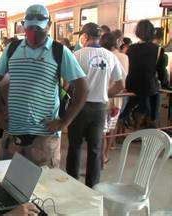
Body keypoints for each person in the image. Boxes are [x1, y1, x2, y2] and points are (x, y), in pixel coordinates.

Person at [0, 4, 88, 167]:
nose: (34, 34)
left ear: (49, 26)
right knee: (8, 182)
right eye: (30, 29)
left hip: (44, 135)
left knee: (44, 186)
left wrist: (64, 122)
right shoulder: (12, 49)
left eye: (40, 29)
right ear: (24, 26)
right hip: (13, 131)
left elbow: (82, 87)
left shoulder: (60, 51)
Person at [67, 23, 124, 188]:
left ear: (84, 37)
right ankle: (92, 187)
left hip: (78, 107)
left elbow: (65, 83)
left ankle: (72, 185)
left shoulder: (76, 55)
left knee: (75, 146)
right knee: (95, 149)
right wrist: (106, 94)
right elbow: (120, 84)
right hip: (100, 109)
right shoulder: (110, 56)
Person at [121, 20, 165, 129]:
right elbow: (160, 71)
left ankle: (125, 118)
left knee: (134, 103)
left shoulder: (130, 49)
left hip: (131, 85)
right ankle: (150, 121)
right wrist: (163, 82)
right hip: (148, 86)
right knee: (152, 99)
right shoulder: (158, 49)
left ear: (137, 32)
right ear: (152, 32)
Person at [100, 32, 128, 165]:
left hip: (103, 97)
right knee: (112, 127)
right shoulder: (124, 57)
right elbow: (123, 80)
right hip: (117, 97)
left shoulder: (102, 56)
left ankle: (100, 157)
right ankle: (106, 154)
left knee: (101, 130)